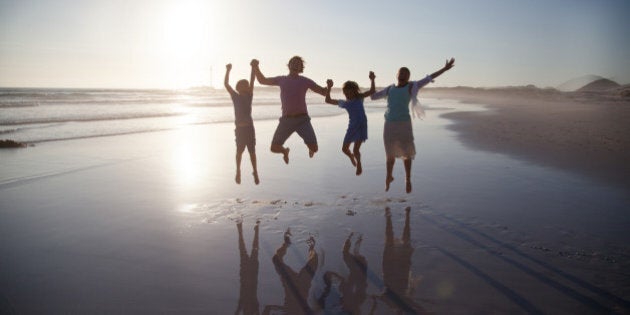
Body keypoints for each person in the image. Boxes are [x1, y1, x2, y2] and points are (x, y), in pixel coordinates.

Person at [371, 58, 455, 193]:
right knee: (389, 154)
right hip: (389, 124)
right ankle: (388, 176)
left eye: (405, 73)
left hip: (404, 123)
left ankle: (408, 178)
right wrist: (372, 80)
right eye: (401, 72)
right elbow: (373, 96)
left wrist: (444, 69)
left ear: (408, 76)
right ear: (397, 75)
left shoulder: (412, 86)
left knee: (407, 153)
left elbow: (428, 78)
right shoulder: (390, 88)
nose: (403, 74)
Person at [250, 57, 328, 164]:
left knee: (315, 148)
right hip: (286, 120)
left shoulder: (305, 81)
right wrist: (256, 67)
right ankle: (285, 151)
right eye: (293, 62)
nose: (295, 65)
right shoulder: (282, 79)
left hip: (302, 120)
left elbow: (323, 92)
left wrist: (329, 86)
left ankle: (310, 148)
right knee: (274, 148)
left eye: (298, 64)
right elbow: (262, 80)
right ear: (289, 65)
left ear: (301, 68)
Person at [324, 71, 376, 175]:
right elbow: (328, 100)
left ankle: (359, 164)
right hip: (352, 127)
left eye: (350, 91)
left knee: (356, 150)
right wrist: (329, 87)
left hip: (361, 126)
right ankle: (351, 156)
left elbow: (372, 91)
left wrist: (372, 79)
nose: (347, 94)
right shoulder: (345, 103)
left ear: (355, 91)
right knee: (344, 149)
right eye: (345, 92)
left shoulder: (360, 98)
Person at [224, 63, 260, 185]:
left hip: (249, 129)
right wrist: (228, 70)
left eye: (247, 85)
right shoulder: (235, 96)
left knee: (252, 152)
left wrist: (253, 68)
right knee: (239, 152)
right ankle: (238, 171)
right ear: (238, 88)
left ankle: (255, 171)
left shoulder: (249, 95)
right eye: (243, 85)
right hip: (240, 129)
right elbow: (226, 85)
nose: (246, 86)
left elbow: (252, 79)